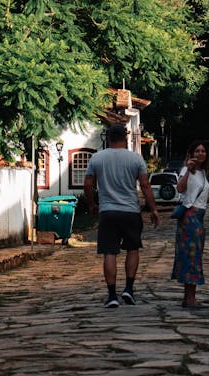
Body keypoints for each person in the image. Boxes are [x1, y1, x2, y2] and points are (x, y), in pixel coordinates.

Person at [83, 124, 159, 308]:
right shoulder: (136, 158)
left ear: (108, 138)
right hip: (131, 211)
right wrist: (153, 209)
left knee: (110, 252)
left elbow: (88, 184)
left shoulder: (97, 158)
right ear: (125, 138)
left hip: (108, 211)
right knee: (132, 249)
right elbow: (145, 185)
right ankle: (129, 289)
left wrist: (92, 204)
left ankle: (111, 295)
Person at [171, 141, 209, 308]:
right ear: (191, 153)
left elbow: (198, 195)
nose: (200, 153)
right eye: (197, 151)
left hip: (199, 217)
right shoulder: (187, 170)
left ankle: (189, 297)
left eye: (203, 151)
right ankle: (190, 298)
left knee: (194, 256)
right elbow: (180, 189)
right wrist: (187, 169)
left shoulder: (203, 172)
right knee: (191, 257)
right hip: (190, 218)